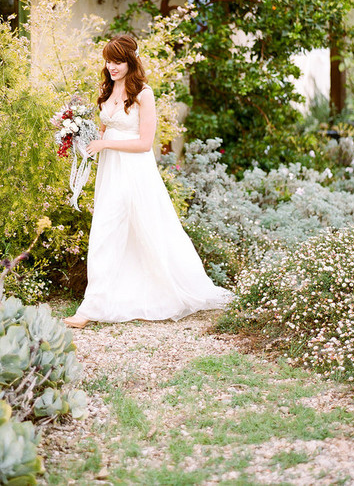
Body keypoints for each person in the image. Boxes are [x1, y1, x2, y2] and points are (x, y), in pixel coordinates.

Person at [64, 34, 233, 328]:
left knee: (149, 230)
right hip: (111, 171)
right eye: (108, 61)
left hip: (135, 172)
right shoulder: (106, 91)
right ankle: (94, 305)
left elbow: (144, 144)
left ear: (131, 61)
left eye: (118, 61)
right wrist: (79, 138)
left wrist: (105, 144)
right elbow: (102, 132)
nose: (111, 66)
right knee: (105, 230)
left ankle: (150, 296)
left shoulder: (144, 94)